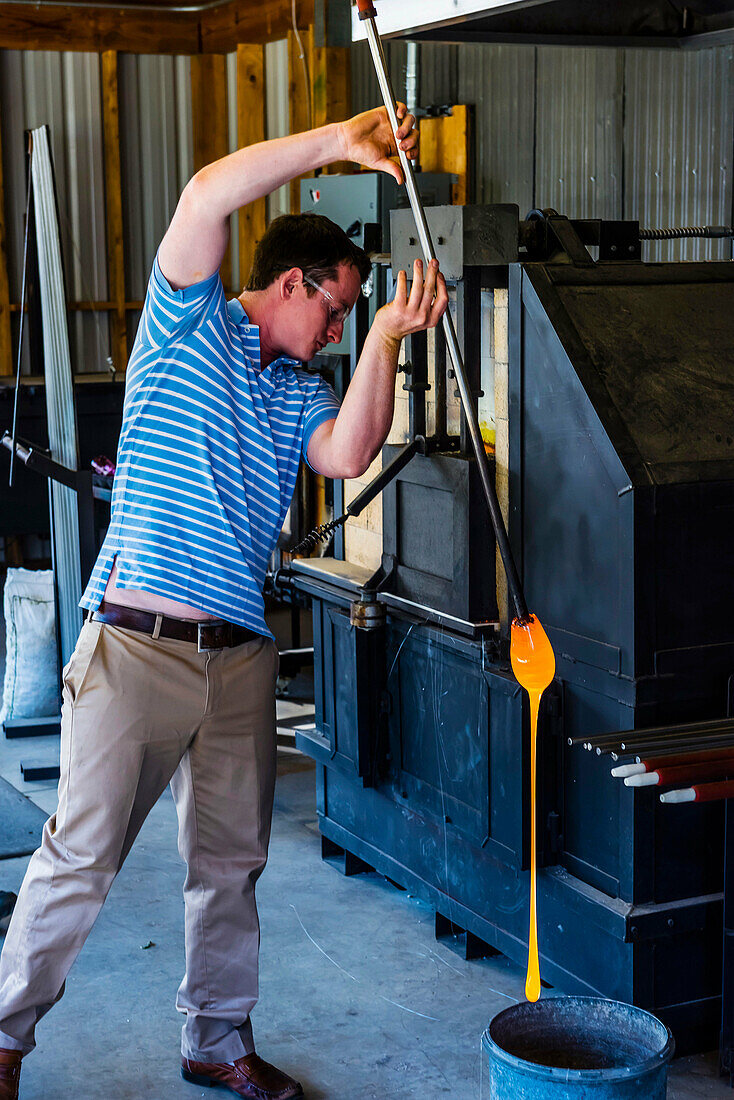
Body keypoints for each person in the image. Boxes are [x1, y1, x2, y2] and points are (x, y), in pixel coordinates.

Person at [0, 102, 448, 1100]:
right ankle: (2, 1038)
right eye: (332, 307)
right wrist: (339, 142)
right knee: (80, 856)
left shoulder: (299, 386)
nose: (331, 328)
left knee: (230, 865)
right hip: (134, 648)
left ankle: (215, 1038)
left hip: (237, 659)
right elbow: (206, 191)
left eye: (345, 319)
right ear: (288, 281)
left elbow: (347, 453)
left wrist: (380, 333)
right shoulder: (186, 320)